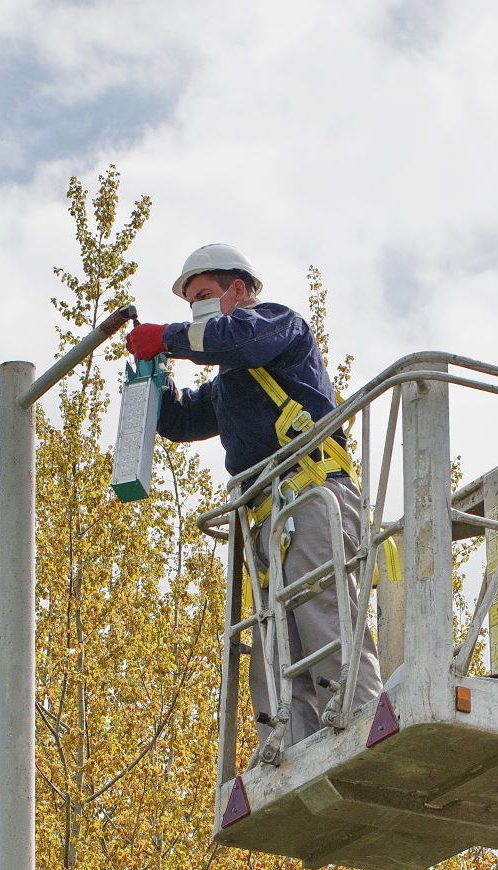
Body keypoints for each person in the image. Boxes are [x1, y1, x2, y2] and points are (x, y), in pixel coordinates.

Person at [125, 243, 382, 754]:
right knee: (276, 644)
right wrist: (154, 382)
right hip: (268, 521)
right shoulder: (230, 388)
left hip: (312, 497)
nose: (194, 309)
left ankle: (364, 722)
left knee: (322, 617)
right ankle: (290, 748)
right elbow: (182, 421)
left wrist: (168, 339)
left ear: (237, 290)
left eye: (203, 295)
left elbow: (234, 338)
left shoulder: (276, 327)